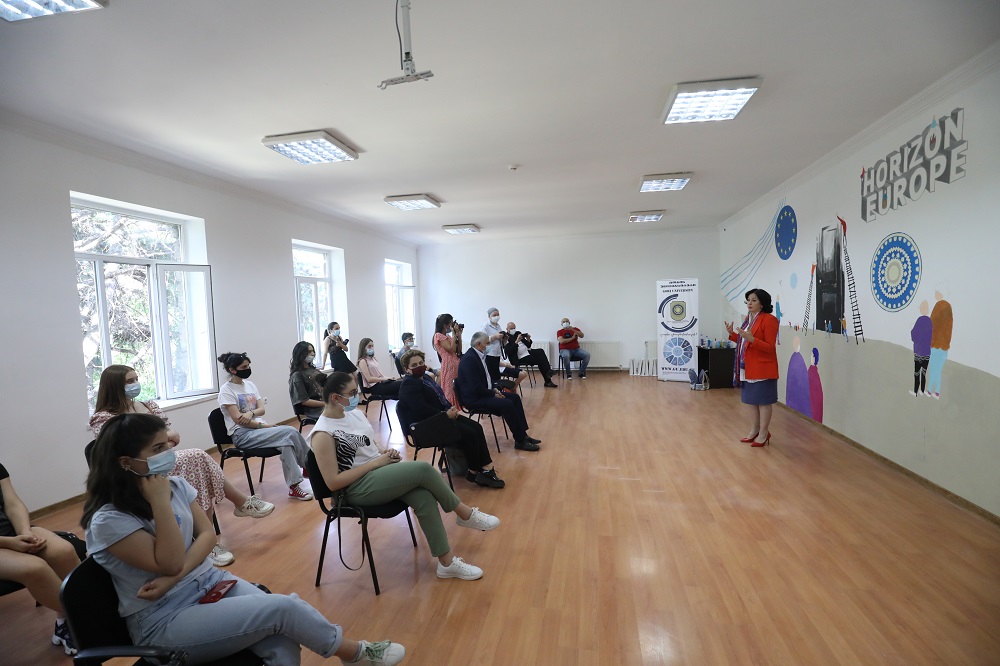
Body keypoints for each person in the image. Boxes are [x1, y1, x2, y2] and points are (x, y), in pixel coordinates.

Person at [82, 413, 406, 665]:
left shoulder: (175, 485)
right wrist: (159, 504)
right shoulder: (109, 520)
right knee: (284, 609)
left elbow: (207, 536)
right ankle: (355, 654)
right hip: (163, 620)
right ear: (126, 463)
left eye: (167, 446)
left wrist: (175, 577)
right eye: (157, 450)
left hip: (208, 582)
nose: (170, 454)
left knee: (282, 639)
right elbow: (170, 562)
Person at [309, 373, 500, 581]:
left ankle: (446, 564)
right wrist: (376, 463)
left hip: (376, 474)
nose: (357, 396)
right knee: (423, 470)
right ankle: (464, 514)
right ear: (335, 398)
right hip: (353, 489)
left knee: (423, 496)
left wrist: (384, 453)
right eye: (352, 393)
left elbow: (369, 447)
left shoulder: (355, 415)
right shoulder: (323, 433)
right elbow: (333, 482)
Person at [91, 365, 274, 568]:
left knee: (196, 463)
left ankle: (208, 535)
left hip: (162, 460)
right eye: (129, 381)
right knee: (196, 457)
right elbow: (123, 449)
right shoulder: (103, 418)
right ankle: (238, 505)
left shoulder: (147, 405)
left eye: (136, 379)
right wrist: (162, 442)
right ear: (114, 385)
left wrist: (159, 445)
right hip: (136, 470)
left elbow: (173, 438)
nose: (135, 384)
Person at [0, 462, 81, 655]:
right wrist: (10, 543)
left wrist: (25, 532)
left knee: (63, 551)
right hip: (4, 541)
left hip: (12, 533)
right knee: (34, 568)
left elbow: (12, 503)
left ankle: (66, 622)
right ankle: (84, 618)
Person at [396, 349, 505, 488]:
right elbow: (421, 409)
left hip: (438, 418)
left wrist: (449, 408)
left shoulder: (425, 379)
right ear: (406, 369)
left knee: (477, 427)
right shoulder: (408, 384)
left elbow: (439, 398)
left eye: (421, 362)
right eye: (414, 365)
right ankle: (475, 471)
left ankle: (485, 468)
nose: (419, 366)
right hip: (425, 426)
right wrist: (445, 414)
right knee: (469, 434)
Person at [217, 352, 314, 501]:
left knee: (286, 443)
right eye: (244, 367)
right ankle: (310, 466)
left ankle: (294, 487)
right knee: (289, 431)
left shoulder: (250, 385)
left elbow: (261, 410)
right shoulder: (226, 390)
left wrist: (250, 413)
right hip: (242, 435)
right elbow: (239, 420)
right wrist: (264, 426)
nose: (248, 369)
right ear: (232, 370)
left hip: (258, 428)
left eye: (248, 366)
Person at [457, 332, 541, 452]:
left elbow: (487, 378)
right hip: (474, 399)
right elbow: (475, 388)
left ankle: (523, 435)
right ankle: (520, 441)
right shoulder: (469, 360)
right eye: (487, 343)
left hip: (484, 393)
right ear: (478, 344)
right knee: (507, 404)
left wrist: (494, 389)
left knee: (515, 398)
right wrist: (493, 394)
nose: (489, 346)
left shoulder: (478, 356)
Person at [725, 288, 780, 447]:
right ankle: (755, 430)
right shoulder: (748, 319)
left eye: (754, 300)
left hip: (763, 369)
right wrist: (733, 335)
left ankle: (764, 432)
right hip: (747, 367)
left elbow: (769, 347)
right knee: (751, 401)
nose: (750, 303)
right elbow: (745, 342)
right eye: (748, 300)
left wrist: (752, 339)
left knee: (763, 402)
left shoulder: (769, 320)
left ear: (762, 303)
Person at [504, 322, 558, 388]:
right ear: (507, 329)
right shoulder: (506, 338)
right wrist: (517, 341)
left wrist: (528, 339)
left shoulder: (517, 333)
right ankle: (548, 379)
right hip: (519, 357)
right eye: (511, 328)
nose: (513, 330)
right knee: (540, 360)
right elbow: (509, 351)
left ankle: (548, 374)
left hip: (527, 352)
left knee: (540, 351)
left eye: (514, 328)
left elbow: (528, 345)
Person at [289, 341, 327, 420]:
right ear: (301, 354)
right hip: (314, 410)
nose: (312, 354)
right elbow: (304, 401)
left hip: (325, 404)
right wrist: (326, 404)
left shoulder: (314, 370)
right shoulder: (297, 376)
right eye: (309, 352)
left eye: (313, 351)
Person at [432, 313, 463, 407]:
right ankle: (450, 407)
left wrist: (459, 335)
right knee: (449, 388)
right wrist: (454, 333)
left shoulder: (448, 336)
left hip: (456, 363)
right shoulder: (438, 336)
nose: (452, 325)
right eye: (451, 323)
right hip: (448, 364)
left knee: (456, 387)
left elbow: (458, 350)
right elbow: (451, 349)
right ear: (445, 325)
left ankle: (458, 407)